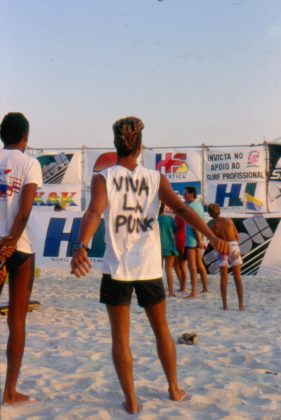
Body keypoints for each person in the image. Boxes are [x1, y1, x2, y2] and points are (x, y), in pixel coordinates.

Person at [70, 116, 229, 415]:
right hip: (149, 269)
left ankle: (130, 400)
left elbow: (93, 212)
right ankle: (173, 389)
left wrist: (82, 246)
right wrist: (209, 234)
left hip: (117, 269)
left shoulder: (103, 177)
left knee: (120, 339)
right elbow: (181, 209)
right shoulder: (156, 179)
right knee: (162, 331)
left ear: (115, 145)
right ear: (140, 147)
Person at [0, 112, 43, 405]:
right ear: (25, 136)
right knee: (17, 321)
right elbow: (24, 211)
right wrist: (11, 243)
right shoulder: (29, 164)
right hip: (20, 248)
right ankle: (10, 392)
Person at [207, 203, 244, 311]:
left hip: (222, 249)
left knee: (223, 278)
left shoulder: (212, 226)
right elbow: (237, 236)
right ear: (219, 210)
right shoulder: (229, 221)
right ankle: (240, 305)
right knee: (237, 278)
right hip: (233, 247)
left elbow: (212, 242)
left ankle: (225, 305)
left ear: (210, 214)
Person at [183, 186, 208, 298]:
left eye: (185, 194)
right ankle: (205, 288)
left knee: (192, 266)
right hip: (197, 238)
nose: (183, 196)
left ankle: (194, 292)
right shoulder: (199, 205)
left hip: (192, 240)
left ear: (191, 195)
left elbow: (195, 225)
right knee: (199, 264)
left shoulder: (192, 207)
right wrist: (202, 239)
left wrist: (199, 241)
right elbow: (202, 223)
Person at [158, 203, 178, 297]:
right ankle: (170, 291)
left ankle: (159, 291)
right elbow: (175, 230)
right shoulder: (170, 219)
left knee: (158, 270)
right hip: (170, 245)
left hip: (158, 247)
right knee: (169, 269)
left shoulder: (155, 220)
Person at [174, 214, 187, 292]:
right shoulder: (177, 216)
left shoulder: (182, 217)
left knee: (182, 265)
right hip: (177, 241)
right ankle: (181, 283)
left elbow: (182, 228)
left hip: (181, 241)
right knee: (175, 264)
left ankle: (183, 286)